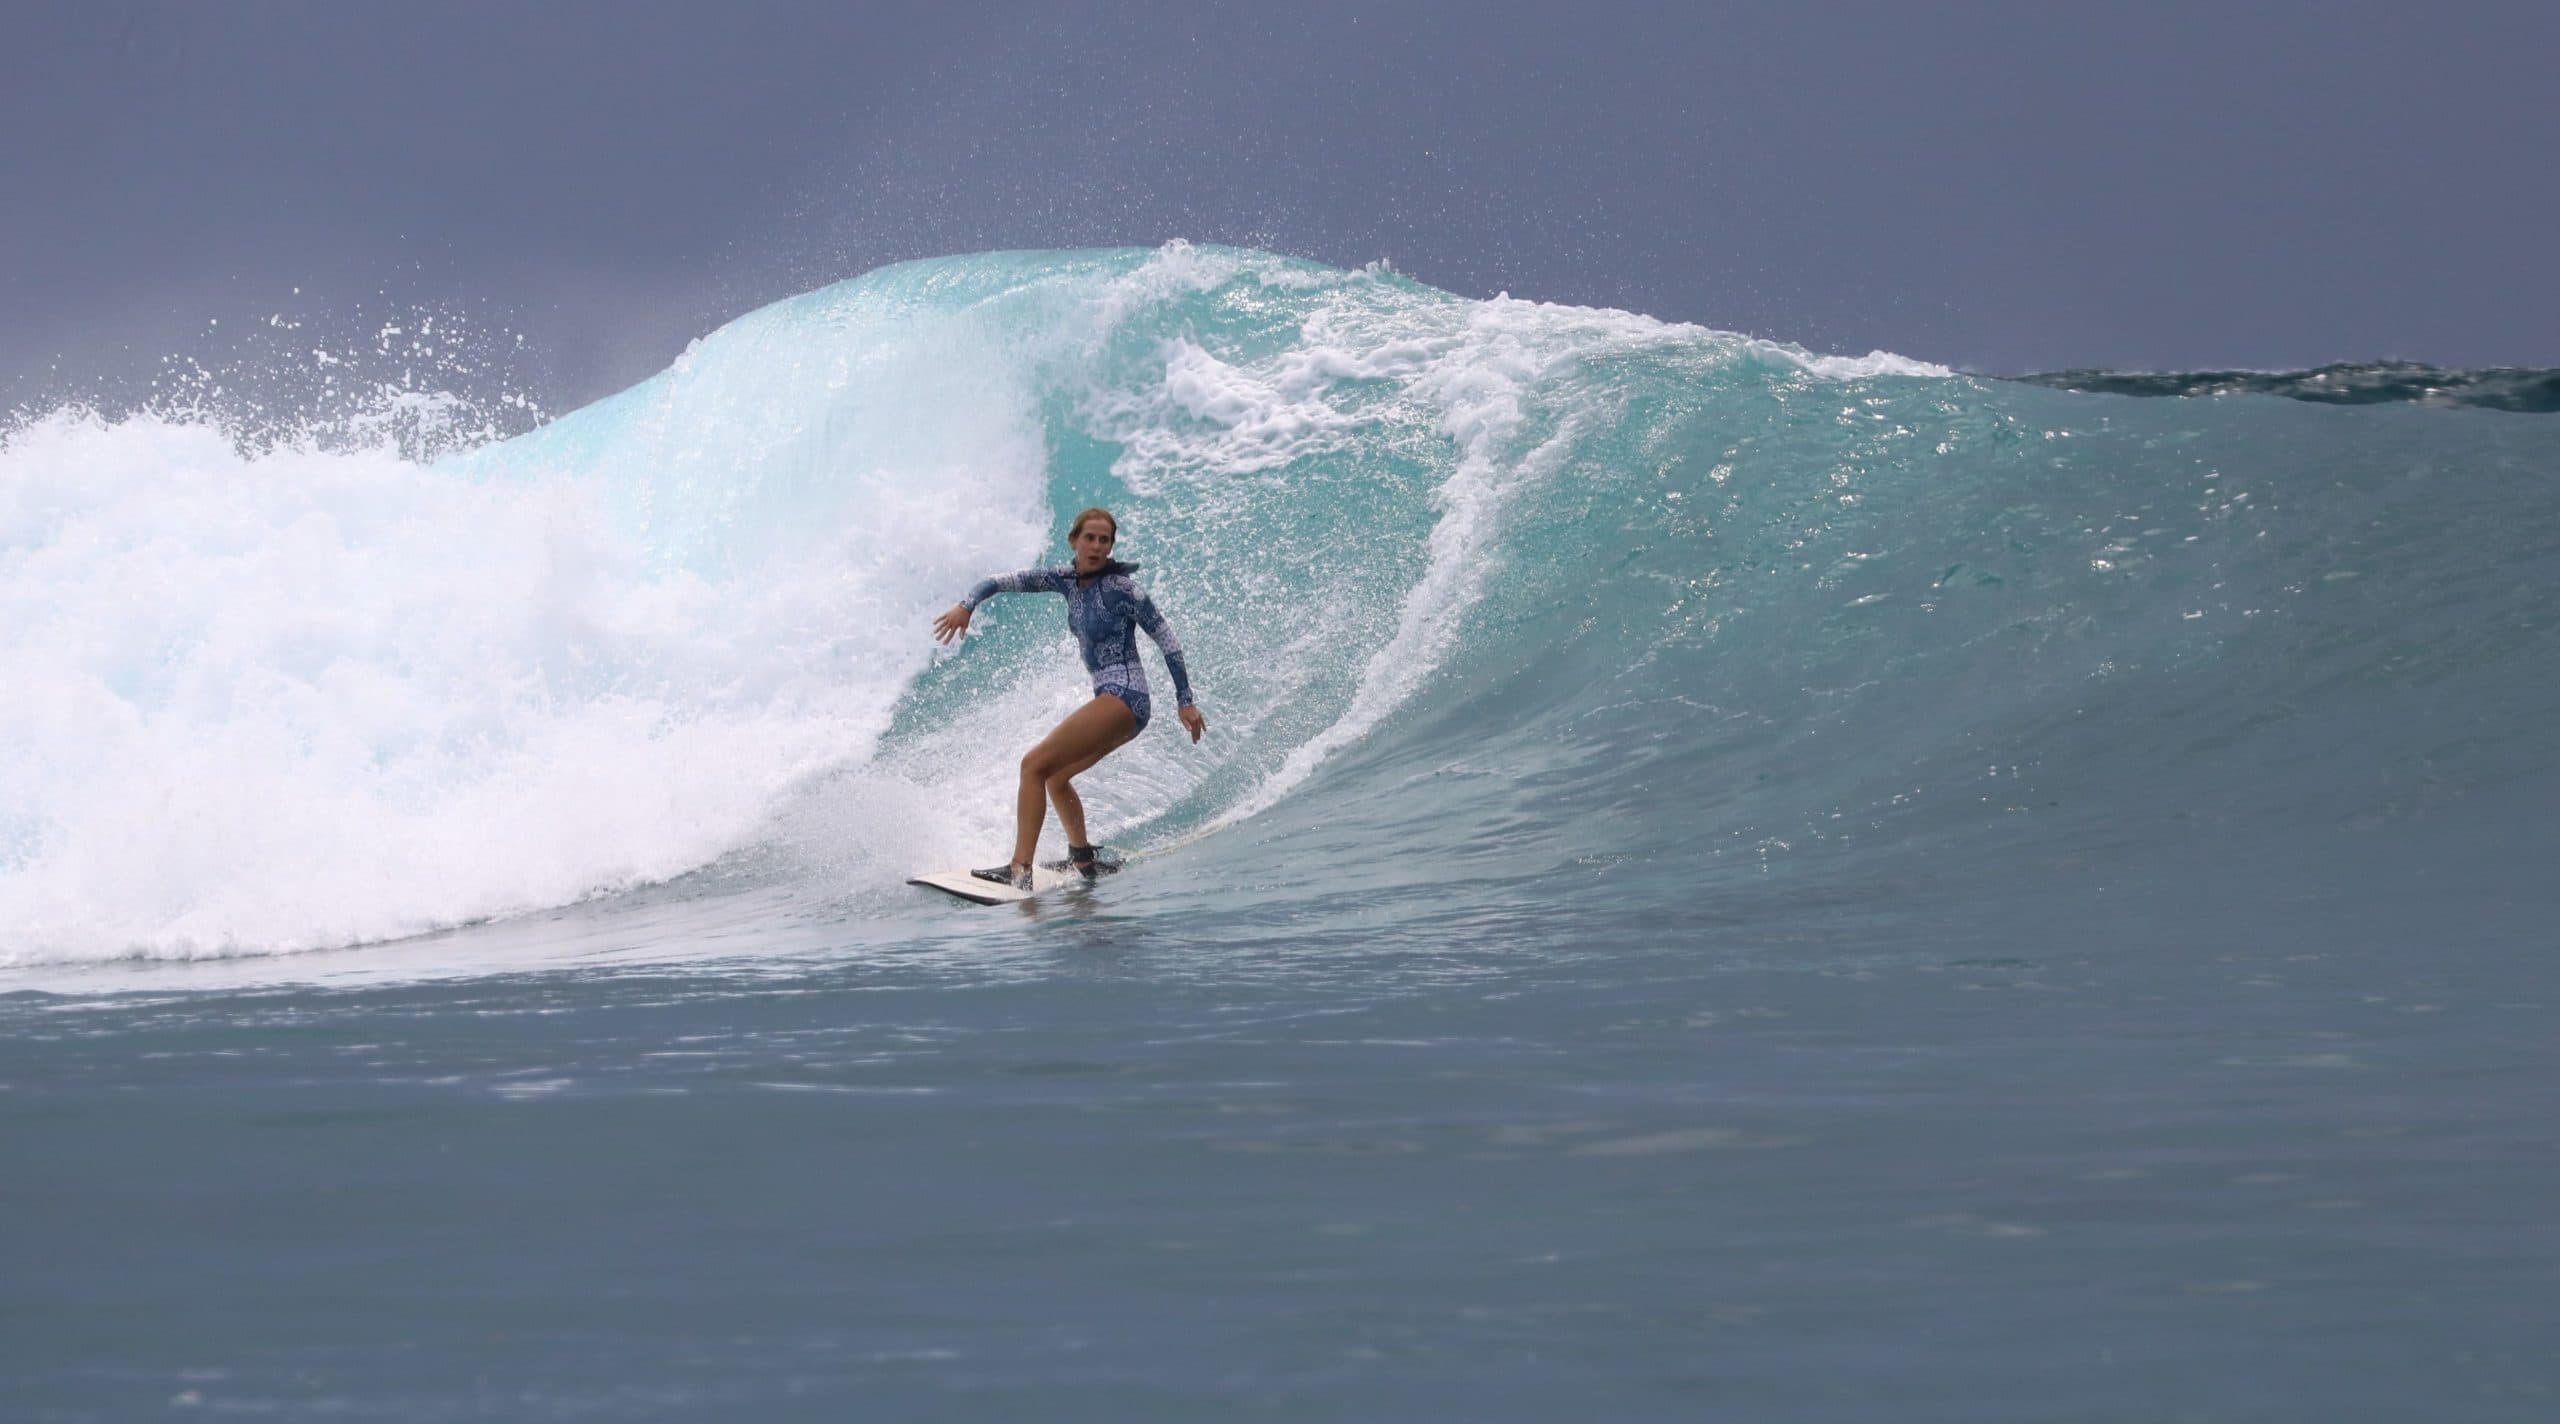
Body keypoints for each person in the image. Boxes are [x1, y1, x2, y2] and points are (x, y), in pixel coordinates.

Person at [931, 507, 1205, 889]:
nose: (1096, 546)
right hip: (1115, 700)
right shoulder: (1064, 579)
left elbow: (1167, 640)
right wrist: (967, 605)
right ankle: (1083, 859)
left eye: (1104, 540)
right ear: (1074, 541)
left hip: (1126, 696)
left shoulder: (1122, 589)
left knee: (1033, 765)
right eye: (1089, 538)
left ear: (1111, 547)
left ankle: (1018, 870)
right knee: (1055, 777)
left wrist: (1185, 700)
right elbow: (996, 581)